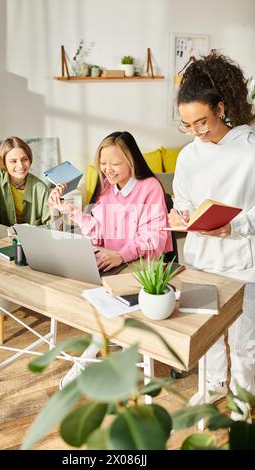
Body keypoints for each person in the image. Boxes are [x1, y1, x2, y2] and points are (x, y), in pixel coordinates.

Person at [168, 50, 255, 419]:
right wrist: (180, 214)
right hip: (201, 260)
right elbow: (183, 200)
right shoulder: (188, 156)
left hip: (242, 263)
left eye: (201, 122)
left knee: (244, 340)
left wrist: (233, 225)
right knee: (205, 334)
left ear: (221, 108)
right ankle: (212, 384)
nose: (195, 132)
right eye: (187, 125)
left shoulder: (250, 149)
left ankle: (242, 400)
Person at [49, 131, 173, 387]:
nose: (108, 170)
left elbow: (154, 237)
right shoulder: (107, 188)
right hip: (110, 264)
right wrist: (70, 211)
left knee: (104, 304)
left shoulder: (149, 187)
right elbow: (98, 230)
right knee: (69, 286)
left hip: (142, 268)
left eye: (115, 164)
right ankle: (97, 348)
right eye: (103, 164)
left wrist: (120, 255)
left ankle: (83, 363)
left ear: (132, 161)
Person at [0, 137, 50, 226]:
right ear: (4, 163)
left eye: (24, 159)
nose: (20, 165)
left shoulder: (41, 189)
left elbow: (52, 225)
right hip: (1, 239)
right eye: (13, 161)